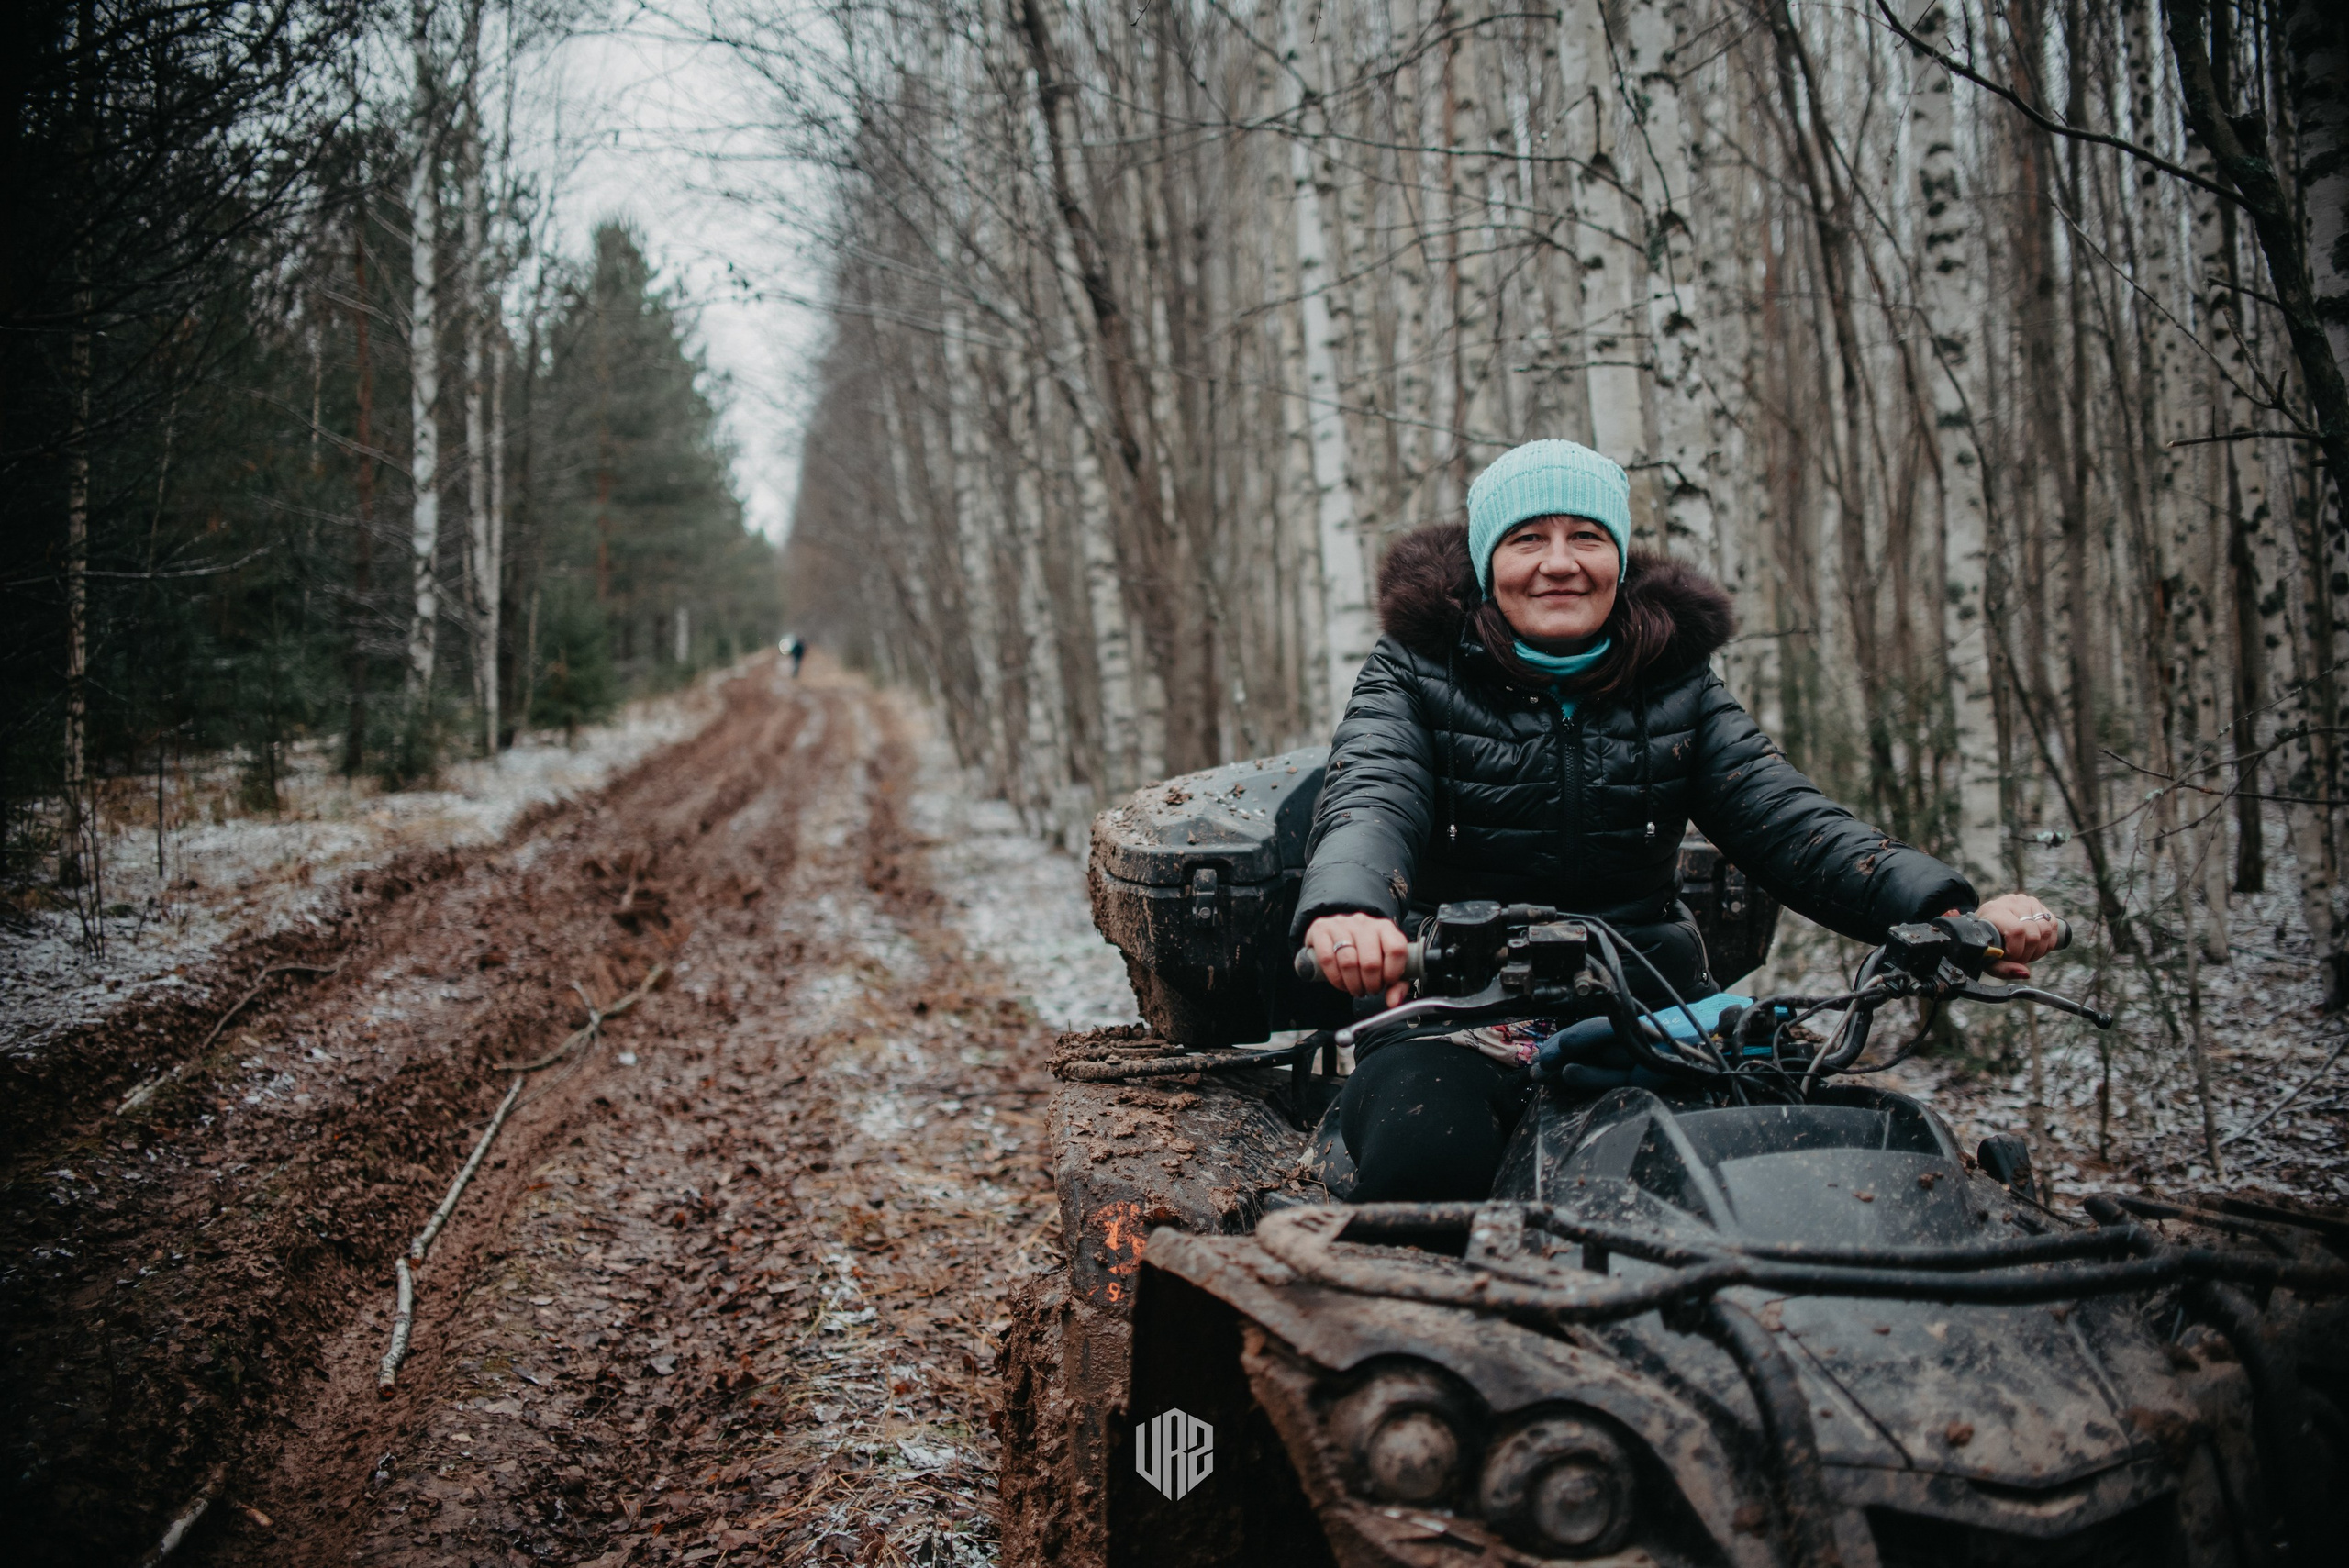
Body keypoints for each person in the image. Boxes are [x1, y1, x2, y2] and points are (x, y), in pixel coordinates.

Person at [1295, 439, 2063, 1203]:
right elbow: (1372, 790)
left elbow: (1791, 821)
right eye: (1528, 537)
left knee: (1809, 1159)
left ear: (1619, 559)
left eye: (1586, 537)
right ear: (1488, 558)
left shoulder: (1676, 682)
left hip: (1657, 1003)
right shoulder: (1414, 669)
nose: (1559, 562)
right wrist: (1351, 910)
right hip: (1454, 1009)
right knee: (1428, 1155)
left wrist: (1946, 910)